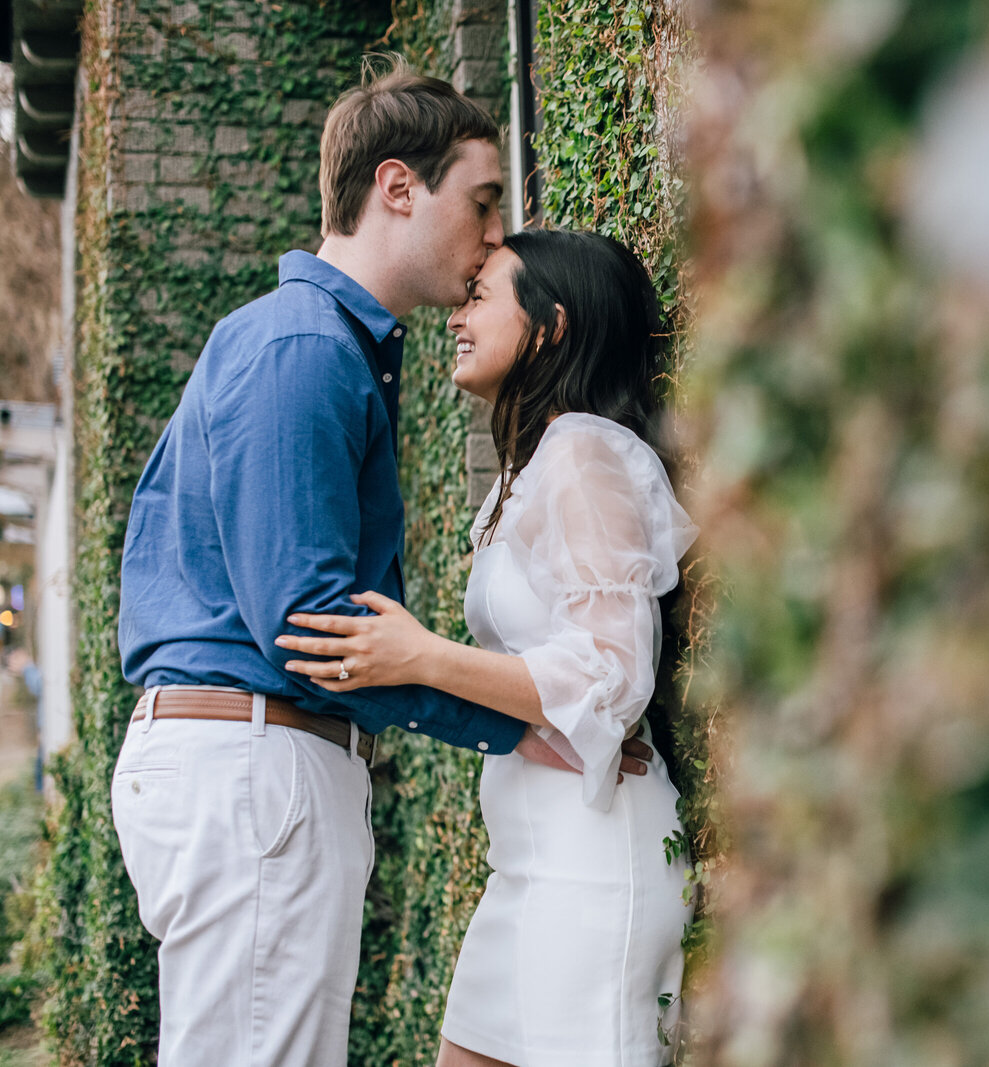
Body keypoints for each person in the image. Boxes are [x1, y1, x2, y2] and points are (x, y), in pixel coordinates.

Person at [111, 66, 652, 1065]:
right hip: (257, 763)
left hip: (252, 764)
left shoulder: (309, 345)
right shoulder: (302, 347)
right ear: (397, 188)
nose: (495, 236)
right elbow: (313, 625)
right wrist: (512, 717)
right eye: (483, 203)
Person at [276, 228, 696, 1067]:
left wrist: (423, 657)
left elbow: (614, 675)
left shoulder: (582, 455)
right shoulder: (528, 471)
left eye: (479, 297)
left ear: (548, 327)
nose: (455, 318)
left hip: (592, 857)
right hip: (530, 865)